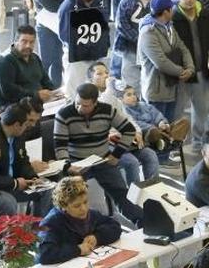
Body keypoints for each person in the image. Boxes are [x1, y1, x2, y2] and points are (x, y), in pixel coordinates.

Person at [53, 83, 143, 223]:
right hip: (76, 164)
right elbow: (60, 146)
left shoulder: (107, 110)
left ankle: (144, 225)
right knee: (71, 199)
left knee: (122, 194)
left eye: (85, 105)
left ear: (95, 103)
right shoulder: (64, 114)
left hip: (103, 160)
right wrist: (67, 166)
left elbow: (129, 130)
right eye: (77, 103)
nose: (79, 108)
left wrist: (116, 155)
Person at [171, 0, 209, 151]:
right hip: (182, 73)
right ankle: (173, 144)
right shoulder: (173, 19)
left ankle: (199, 142)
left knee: (201, 111)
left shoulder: (205, 15)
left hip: (202, 71)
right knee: (177, 111)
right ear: (178, 0)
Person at [37, 176, 123, 265]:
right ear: (63, 206)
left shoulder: (91, 214)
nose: (83, 209)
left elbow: (115, 227)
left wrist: (96, 237)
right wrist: (78, 249)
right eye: (76, 206)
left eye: (85, 202)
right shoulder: (50, 223)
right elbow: (43, 254)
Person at [0, 103, 52, 217]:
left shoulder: (17, 135)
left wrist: (33, 177)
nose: (29, 127)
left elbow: (23, 161)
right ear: (17, 125)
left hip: (16, 182)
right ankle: (11, 233)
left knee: (46, 190)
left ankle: (39, 228)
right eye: (26, 125)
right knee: (8, 203)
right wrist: (15, 183)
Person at [138, 0, 194, 122]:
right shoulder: (148, 32)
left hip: (171, 88)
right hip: (156, 93)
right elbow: (160, 62)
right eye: (171, 8)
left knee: (171, 129)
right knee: (158, 132)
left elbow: (182, 47)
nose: (173, 10)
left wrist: (190, 68)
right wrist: (182, 71)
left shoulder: (169, 26)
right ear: (165, 11)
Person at [58, 0, 109, 96]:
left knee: (97, 93)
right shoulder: (68, 7)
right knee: (76, 93)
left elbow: (103, 27)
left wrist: (103, 45)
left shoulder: (96, 2)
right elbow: (65, 35)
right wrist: (86, 48)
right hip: (78, 59)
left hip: (96, 55)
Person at [0, 25, 60, 107]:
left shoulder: (34, 57)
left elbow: (45, 80)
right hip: (15, 107)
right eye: (24, 41)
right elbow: (8, 92)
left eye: (31, 42)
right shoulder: (5, 61)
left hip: (38, 102)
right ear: (15, 41)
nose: (28, 46)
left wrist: (54, 93)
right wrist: (36, 94)